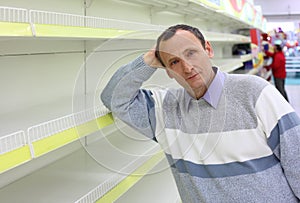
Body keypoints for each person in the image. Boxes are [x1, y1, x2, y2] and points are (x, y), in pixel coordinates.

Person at [101, 24, 300, 203]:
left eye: (191, 53)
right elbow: (114, 98)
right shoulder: (164, 110)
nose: (187, 67)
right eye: (174, 62)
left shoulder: (255, 93)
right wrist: (148, 60)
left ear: (208, 49)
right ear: (167, 71)